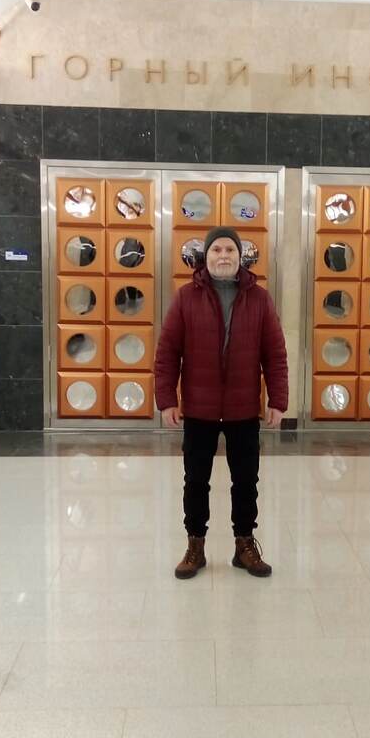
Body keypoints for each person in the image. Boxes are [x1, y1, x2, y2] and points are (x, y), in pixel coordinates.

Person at [154, 226, 289, 580]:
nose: (224, 256)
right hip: (199, 408)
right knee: (196, 481)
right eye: (217, 250)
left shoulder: (259, 299)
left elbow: (275, 354)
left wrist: (278, 400)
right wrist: (167, 400)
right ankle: (195, 546)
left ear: (240, 256)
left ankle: (244, 546)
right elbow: (167, 353)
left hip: (243, 409)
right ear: (207, 256)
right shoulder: (186, 297)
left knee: (246, 481)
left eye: (230, 250)